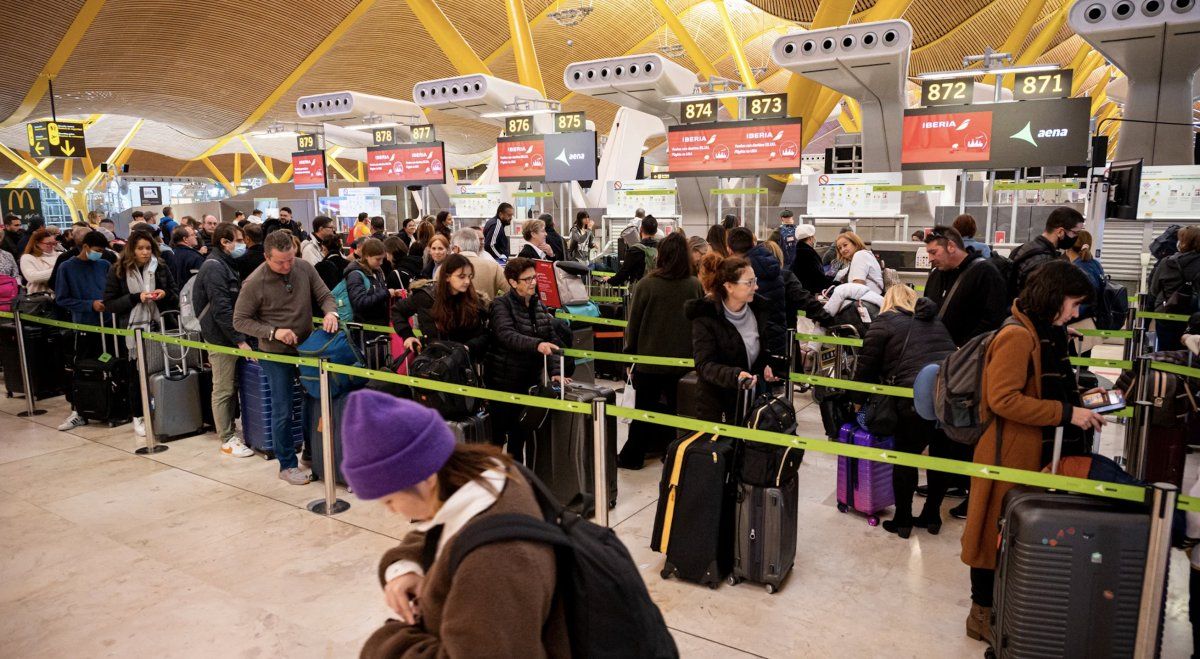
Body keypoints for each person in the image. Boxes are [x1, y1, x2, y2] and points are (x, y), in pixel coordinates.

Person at [340, 392, 568, 657]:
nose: (392, 512)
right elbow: (441, 527)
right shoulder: (493, 477)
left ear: (426, 479)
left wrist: (386, 643)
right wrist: (405, 567)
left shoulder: (492, 565)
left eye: (390, 501)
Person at [960, 260, 1105, 645]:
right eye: (1073, 304)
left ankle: (1000, 610)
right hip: (1007, 453)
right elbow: (1003, 398)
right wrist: (1067, 413)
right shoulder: (1017, 337)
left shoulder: (1041, 331)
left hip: (1027, 450)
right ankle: (981, 615)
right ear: (1053, 297)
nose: (1076, 313)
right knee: (991, 537)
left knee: (1008, 535)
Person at [233, 230, 339, 485]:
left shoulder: (303, 267)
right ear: (267, 257)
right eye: (280, 262)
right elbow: (239, 321)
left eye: (290, 259)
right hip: (275, 354)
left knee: (312, 402)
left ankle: (311, 455)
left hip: (307, 350)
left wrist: (331, 313)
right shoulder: (254, 282)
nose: (287, 265)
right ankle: (287, 464)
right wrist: (274, 332)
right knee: (283, 408)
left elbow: (325, 296)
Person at [853, 285, 957, 538]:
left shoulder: (884, 322)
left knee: (905, 457)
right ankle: (932, 516)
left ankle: (902, 520)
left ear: (888, 301)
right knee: (939, 457)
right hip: (948, 396)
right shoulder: (936, 322)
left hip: (912, 398)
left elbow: (866, 367)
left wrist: (856, 400)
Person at [621, 233, 704, 469]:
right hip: (683, 363)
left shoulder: (646, 284)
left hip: (649, 361)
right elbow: (699, 323)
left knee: (643, 412)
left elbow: (633, 324)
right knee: (676, 413)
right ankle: (674, 456)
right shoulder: (694, 284)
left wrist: (628, 357)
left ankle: (633, 457)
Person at [686, 257, 786, 423]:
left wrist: (767, 366)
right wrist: (735, 375)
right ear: (729, 286)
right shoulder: (705, 316)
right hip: (718, 405)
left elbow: (758, 351)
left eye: (755, 281)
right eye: (749, 282)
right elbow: (704, 365)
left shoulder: (758, 310)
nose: (756, 287)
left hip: (752, 401)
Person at [487, 257, 565, 463]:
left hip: (529, 383)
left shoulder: (538, 305)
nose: (533, 282)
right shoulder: (501, 305)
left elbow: (552, 339)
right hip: (503, 382)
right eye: (527, 279)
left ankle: (516, 482)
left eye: (534, 277)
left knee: (519, 436)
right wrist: (536, 344)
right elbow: (506, 335)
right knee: (497, 439)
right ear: (513, 282)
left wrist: (556, 371)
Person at [103, 229, 179, 439]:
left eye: (148, 248)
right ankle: (139, 415)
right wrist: (136, 297)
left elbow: (174, 293)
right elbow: (110, 302)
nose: (145, 252)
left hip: (159, 325)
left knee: (163, 370)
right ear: (131, 250)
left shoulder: (160, 267)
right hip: (133, 331)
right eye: (140, 248)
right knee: (136, 375)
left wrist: (162, 294)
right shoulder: (118, 270)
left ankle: (165, 411)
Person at [191, 222, 255, 458]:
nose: (242, 244)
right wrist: (239, 340)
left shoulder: (227, 264)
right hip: (220, 337)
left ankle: (231, 430)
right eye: (237, 240)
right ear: (224, 242)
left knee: (231, 385)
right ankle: (227, 438)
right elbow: (221, 309)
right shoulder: (215, 268)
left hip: (228, 334)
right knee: (224, 387)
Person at [54, 231, 112, 432]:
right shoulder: (67, 268)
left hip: (108, 326)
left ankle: (108, 405)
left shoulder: (104, 265)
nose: (99, 254)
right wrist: (89, 305)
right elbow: (62, 299)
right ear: (85, 246)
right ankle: (79, 410)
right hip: (84, 327)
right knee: (82, 368)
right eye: (97, 250)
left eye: (102, 251)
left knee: (108, 365)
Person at [392, 253, 490, 361]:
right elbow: (398, 310)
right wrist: (407, 335)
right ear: (447, 277)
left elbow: (482, 334)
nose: (467, 281)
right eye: (461, 277)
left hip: (463, 364)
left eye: (469, 276)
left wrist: (468, 347)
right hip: (432, 362)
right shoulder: (427, 296)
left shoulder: (473, 300)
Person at [923, 226, 1009, 347]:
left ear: (951, 247)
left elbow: (993, 319)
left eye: (933, 252)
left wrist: (965, 348)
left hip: (969, 356)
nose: (930, 259)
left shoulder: (985, 273)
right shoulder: (935, 276)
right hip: (937, 352)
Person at [728, 227, 789, 355]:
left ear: (730, 250)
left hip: (753, 339)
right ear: (753, 243)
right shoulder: (771, 263)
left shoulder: (742, 271)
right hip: (777, 334)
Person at [1009, 206, 1084, 293]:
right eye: (1075, 233)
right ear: (1060, 232)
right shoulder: (1046, 264)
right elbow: (1042, 301)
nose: (1076, 237)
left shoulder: (1022, 249)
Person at [763, 240, 834, 329]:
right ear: (779, 257)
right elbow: (803, 300)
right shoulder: (785, 277)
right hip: (781, 331)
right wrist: (827, 317)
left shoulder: (749, 277)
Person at [1150, 225, 1200, 351]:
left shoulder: (1167, 262)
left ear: (1183, 242)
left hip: (1167, 314)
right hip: (1195, 318)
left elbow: (1154, 290)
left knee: (1166, 353)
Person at [822, 231, 886, 318]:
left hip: (866, 303)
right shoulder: (864, 255)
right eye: (839, 248)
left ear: (855, 243)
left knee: (825, 318)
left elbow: (857, 287)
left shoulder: (860, 255)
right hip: (871, 302)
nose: (842, 250)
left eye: (845, 245)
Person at [346, 238, 403, 328]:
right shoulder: (355, 275)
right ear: (367, 256)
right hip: (365, 328)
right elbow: (359, 303)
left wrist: (392, 293)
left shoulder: (377, 271)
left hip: (379, 325)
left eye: (382, 259)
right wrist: (386, 293)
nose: (381, 263)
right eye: (377, 259)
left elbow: (377, 293)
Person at [451, 228, 507, 303]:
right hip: (486, 312)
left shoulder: (445, 267)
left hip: (452, 313)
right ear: (477, 246)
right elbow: (509, 290)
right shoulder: (494, 267)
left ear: (456, 248)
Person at [607, 215, 658, 287]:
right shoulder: (662, 248)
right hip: (657, 290)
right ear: (656, 231)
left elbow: (623, 274)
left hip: (640, 291)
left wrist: (610, 280)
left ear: (641, 229)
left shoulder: (634, 250)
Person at [1066, 229, 1105, 321]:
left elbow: (1085, 299)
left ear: (1069, 246)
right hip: (1094, 318)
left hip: (1081, 321)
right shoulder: (1095, 264)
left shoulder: (1077, 269)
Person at [790, 223, 831, 294]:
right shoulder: (808, 253)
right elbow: (818, 278)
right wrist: (835, 283)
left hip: (798, 291)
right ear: (810, 238)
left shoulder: (796, 252)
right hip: (809, 293)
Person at [20, 228, 60, 295]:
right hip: (40, 297)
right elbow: (32, 277)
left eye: (54, 243)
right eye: (48, 243)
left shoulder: (60, 255)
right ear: (37, 243)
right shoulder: (27, 257)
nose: (52, 246)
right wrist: (59, 270)